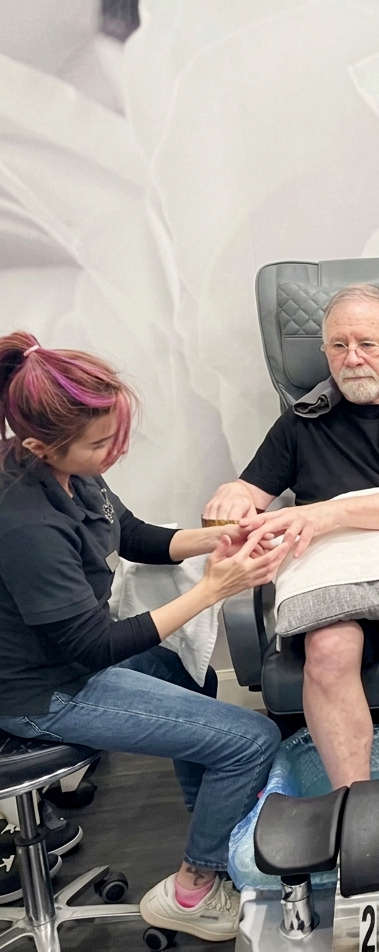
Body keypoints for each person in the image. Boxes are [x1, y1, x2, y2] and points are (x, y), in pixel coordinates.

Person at [0, 332, 289, 944]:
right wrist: (214, 588)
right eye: (101, 443)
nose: (116, 452)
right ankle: (196, 885)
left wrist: (221, 539)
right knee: (250, 739)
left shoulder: (70, 474)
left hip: (69, 663)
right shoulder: (23, 521)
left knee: (187, 674)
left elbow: (130, 534)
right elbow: (93, 648)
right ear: (37, 445)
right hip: (42, 692)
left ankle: (216, 832)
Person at [204, 284, 379, 789]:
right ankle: (353, 803)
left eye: (367, 344)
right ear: (324, 352)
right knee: (330, 648)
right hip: (340, 588)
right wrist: (231, 496)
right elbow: (251, 493)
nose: (352, 358)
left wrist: (323, 517)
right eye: (338, 346)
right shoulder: (301, 423)